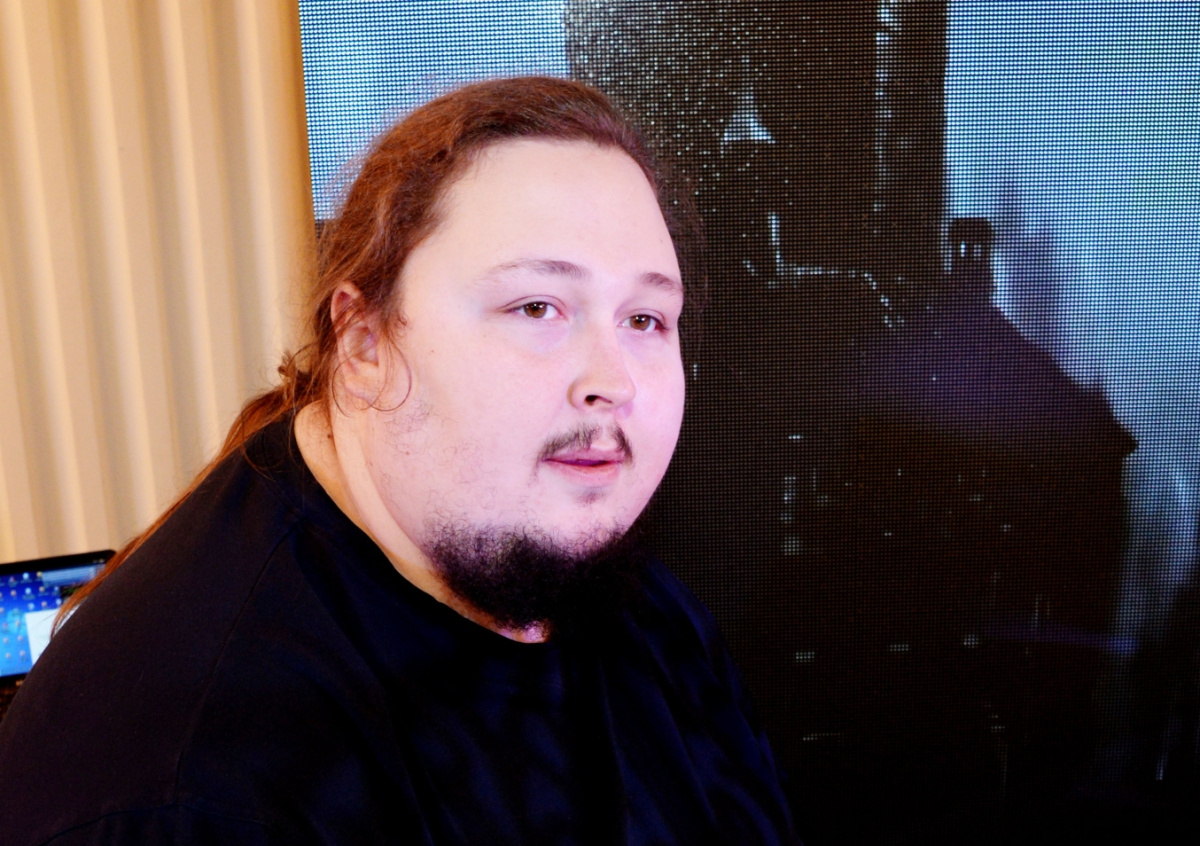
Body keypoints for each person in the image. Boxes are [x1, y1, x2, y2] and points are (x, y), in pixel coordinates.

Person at [0, 76, 798, 844]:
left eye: (646, 319)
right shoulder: (193, 785)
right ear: (364, 344)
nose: (613, 382)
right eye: (536, 306)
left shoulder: (605, 582)